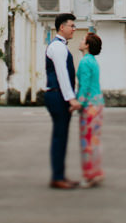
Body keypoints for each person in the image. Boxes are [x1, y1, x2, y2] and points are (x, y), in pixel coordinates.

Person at [44, 12, 81, 189]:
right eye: (71, 26)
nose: (74, 29)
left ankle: (60, 175)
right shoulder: (57, 47)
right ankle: (57, 177)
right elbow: (62, 74)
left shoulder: (61, 46)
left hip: (59, 94)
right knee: (60, 135)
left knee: (62, 135)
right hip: (57, 94)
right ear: (61, 27)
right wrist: (71, 98)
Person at [76, 32, 104, 187]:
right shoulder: (93, 61)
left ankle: (89, 175)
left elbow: (84, 86)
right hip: (98, 103)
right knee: (95, 140)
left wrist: (77, 103)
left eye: (82, 40)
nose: (80, 42)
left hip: (89, 106)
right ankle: (96, 172)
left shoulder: (84, 62)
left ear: (87, 45)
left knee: (87, 141)